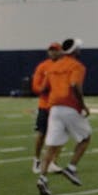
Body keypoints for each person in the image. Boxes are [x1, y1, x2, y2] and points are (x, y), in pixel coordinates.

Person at [35, 37, 90, 195]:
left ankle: (42, 179)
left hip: (54, 108)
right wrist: (82, 105)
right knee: (85, 138)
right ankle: (71, 168)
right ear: (75, 51)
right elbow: (74, 85)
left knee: (51, 147)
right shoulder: (77, 66)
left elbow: (43, 87)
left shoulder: (53, 66)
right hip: (70, 106)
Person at [30, 42, 64, 175]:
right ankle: (37, 160)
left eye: (55, 50)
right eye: (51, 50)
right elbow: (35, 87)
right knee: (41, 134)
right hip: (45, 105)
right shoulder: (43, 66)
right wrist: (46, 87)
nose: (53, 53)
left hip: (60, 105)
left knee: (60, 134)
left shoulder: (65, 66)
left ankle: (53, 162)